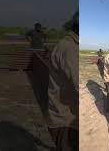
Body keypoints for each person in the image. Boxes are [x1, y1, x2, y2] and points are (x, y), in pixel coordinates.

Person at [45, 15, 78, 151]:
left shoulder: (69, 45)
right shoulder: (69, 48)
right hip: (65, 120)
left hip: (65, 116)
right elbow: (78, 82)